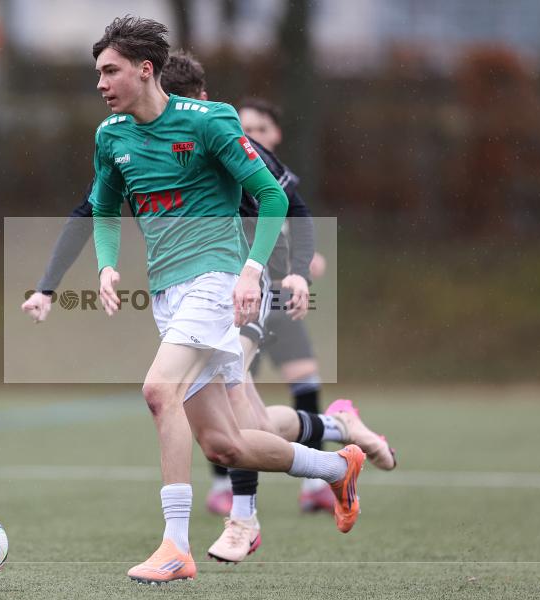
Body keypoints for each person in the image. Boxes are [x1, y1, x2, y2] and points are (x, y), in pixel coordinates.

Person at [87, 17, 369, 585]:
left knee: (157, 389)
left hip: (217, 281)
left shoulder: (212, 121)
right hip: (169, 293)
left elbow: (269, 196)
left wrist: (250, 271)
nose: (100, 82)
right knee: (227, 443)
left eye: (110, 70)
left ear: (145, 69)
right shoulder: (110, 135)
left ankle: (174, 545)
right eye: (97, 72)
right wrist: (107, 263)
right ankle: (336, 467)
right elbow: (103, 205)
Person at [237, 97, 337, 514]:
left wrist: (301, 267)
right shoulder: (229, 168)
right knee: (230, 397)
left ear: (275, 134)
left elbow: (299, 220)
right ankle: (230, 489)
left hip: (274, 297)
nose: (251, 136)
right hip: (237, 297)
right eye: (246, 129)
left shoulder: (278, 179)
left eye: (260, 129)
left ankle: (315, 478)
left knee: (303, 381)